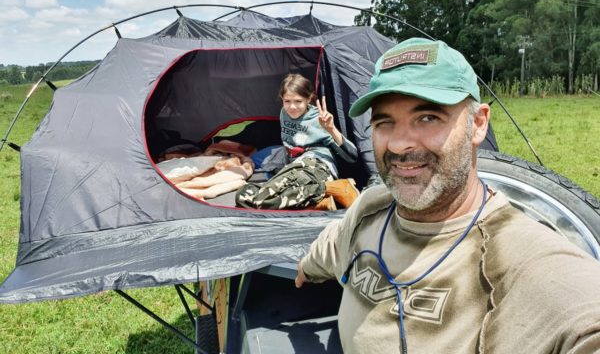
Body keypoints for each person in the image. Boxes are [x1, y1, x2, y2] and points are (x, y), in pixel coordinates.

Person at [294, 37, 600, 353]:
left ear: (478, 124)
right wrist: (305, 268)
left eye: (428, 118)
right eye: (384, 122)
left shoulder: (524, 261)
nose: (399, 145)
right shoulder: (371, 207)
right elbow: (328, 249)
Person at [236, 73, 359, 210]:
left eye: (298, 101)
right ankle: (318, 204)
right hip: (293, 168)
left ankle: (332, 188)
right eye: (287, 101)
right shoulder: (284, 113)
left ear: (308, 99)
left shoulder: (319, 119)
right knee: (243, 197)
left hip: (315, 166)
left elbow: (352, 156)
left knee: (260, 200)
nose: (292, 107)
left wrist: (331, 129)